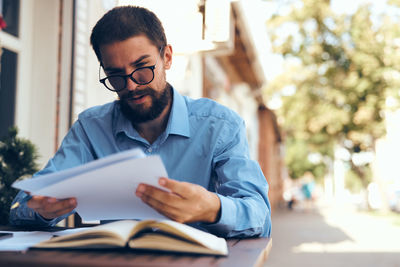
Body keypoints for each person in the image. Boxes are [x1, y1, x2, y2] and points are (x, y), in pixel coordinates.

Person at [10, 6, 271, 238]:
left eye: (142, 67)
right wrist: (42, 210)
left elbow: (260, 215)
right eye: (115, 75)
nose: (132, 86)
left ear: (167, 57)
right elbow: (24, 204)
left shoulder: (219, 125)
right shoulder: (91, 128)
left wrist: (213, 208)